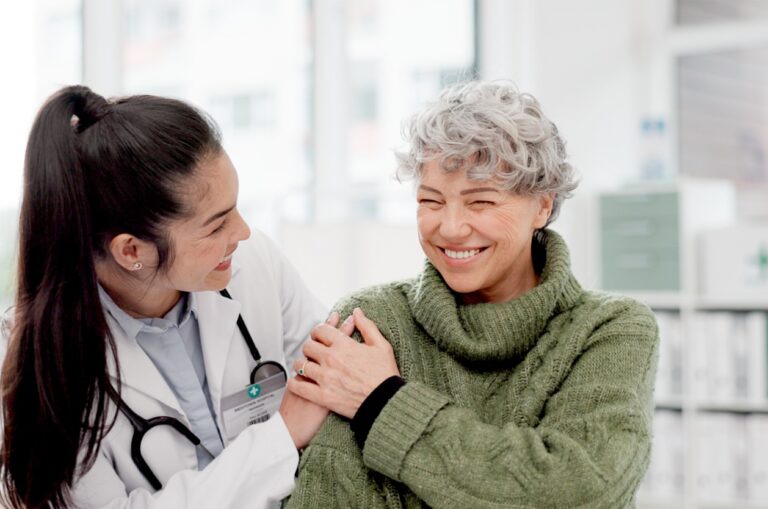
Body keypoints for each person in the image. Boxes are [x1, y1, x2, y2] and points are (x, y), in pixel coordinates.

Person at [284, 81, 660, 508]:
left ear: (541, 206)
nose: (451, 227)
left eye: (480, 202)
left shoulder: (611, 329)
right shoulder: (373, 320)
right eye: (431, 200)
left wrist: (382, 402)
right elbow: (330, 497)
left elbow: (579, 491)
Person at [0, 85, 340, 509]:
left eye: (235, 208)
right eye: (216, 227)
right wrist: (282, 439)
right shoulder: (39, 363)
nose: (243, 233)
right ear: (131, 251)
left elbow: (335, 378)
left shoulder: (254, 267)